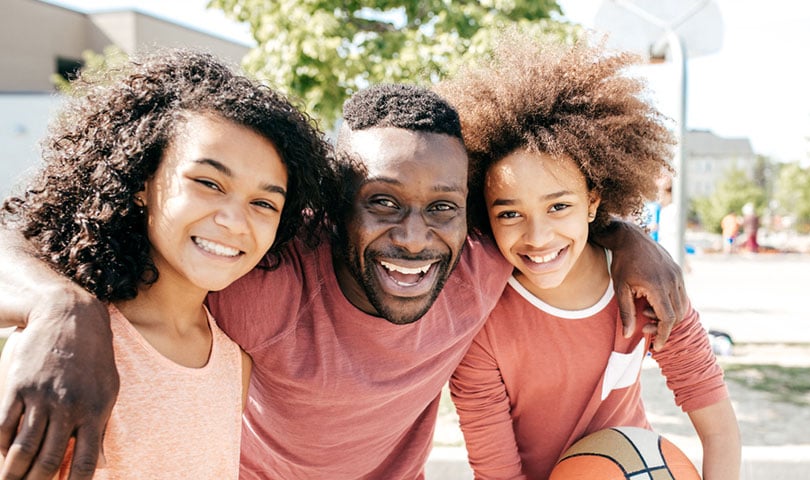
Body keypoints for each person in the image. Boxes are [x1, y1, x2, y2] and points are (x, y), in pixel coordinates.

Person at [0, 84, 688, 479]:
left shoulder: (482, 261)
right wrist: (61, 304)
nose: (415, 237)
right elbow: (30, 225)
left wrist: (625, 236)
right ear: (331, 209)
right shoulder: (259, 268)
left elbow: (546, 211)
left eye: (443, 207)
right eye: (382, 201)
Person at [0, 49, 330, 478]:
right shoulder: (66, 350)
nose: (234, 221)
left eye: (264, 202)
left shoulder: (234, 363)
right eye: (208, 183)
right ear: (141, 181)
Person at [439, 34, 741, 480]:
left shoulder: (648, 290)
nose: (538, 237)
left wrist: (629, 239)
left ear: (594, 201)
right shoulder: (479, 320)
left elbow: (720, 434)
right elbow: (497, 471)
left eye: (559, 206)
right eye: (510, 213)